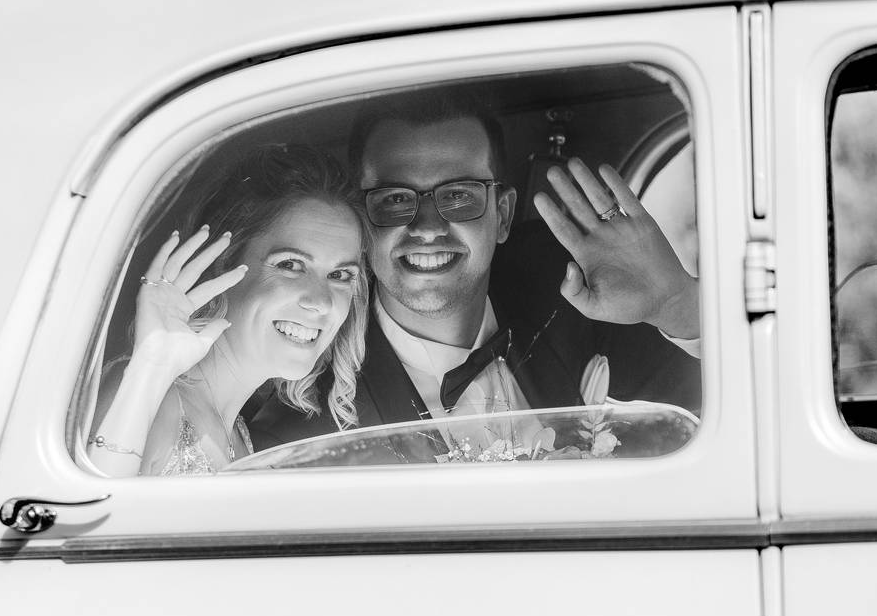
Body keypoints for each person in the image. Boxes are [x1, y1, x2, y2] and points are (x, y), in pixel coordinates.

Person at [244, 91, 701, 452]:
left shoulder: (570, 284)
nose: (426, 227)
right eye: (396, 199)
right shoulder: (308, 431)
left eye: (459, 195)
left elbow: (732, 425)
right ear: (361, 221)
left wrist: (678, 304)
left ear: (502, 216)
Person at [88, 145, 369, 476]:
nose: (321, 301)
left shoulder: (239, 434)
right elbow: (84, 517)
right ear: (224, 265)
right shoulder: (148, 393)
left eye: (339, 276)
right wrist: (151, 366)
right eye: (291, 265)